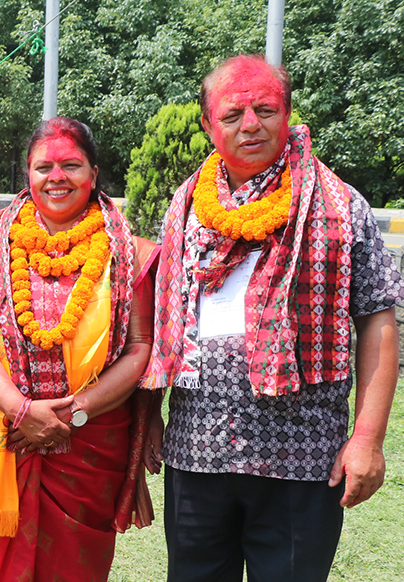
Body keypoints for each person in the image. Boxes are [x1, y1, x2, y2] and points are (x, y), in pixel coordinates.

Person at [144, 54, 404, 582]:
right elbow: (161, 317)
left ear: (286, 113)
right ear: (207, 124)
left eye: (265, 109)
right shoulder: (185, 205)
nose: (250, 125)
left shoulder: (339, 204)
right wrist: (150, 413)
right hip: (198, 452)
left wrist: (368, 439)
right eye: (232, 114)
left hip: (303, 459)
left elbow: (377, 320)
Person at [0, 117, 160, 581]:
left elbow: (140, 347)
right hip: (10, 435)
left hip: (90, 445)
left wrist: (69, 414)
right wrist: (19, 409)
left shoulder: (129, 253)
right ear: (27, 175)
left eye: (71, 165)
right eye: (43, 166)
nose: (56, 177)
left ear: (93, 174)